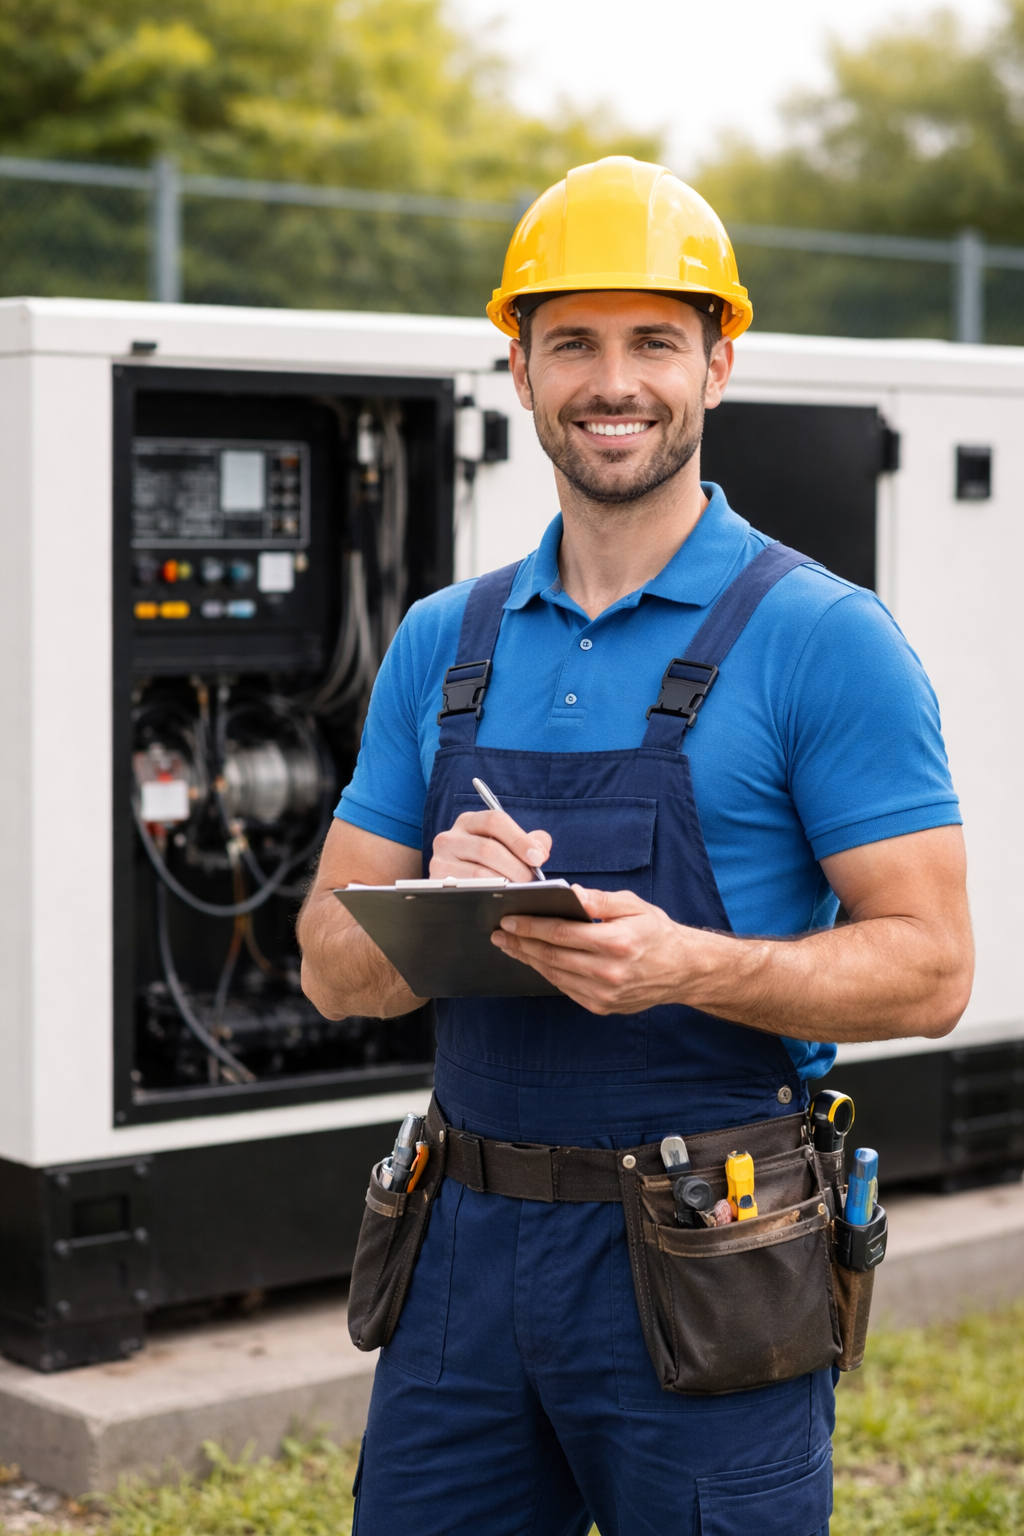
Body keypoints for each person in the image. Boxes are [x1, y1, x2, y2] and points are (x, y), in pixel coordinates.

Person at [298, 156, 973, 1535]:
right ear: (520, 369)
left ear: (719, 364)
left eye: (656, 341)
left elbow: (931, 969)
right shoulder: (444, 643)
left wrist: (688, 965)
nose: (616, 381)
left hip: (711, 1248)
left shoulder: (823, 640)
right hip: (462, 1255)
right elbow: (325, 969)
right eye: (576, 345)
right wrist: (429, 910)